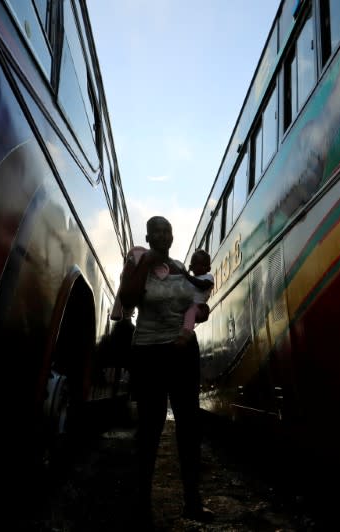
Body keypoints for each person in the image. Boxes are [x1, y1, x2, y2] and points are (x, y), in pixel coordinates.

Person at [116, 216, 214, 525]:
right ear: (147, 236)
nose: (161, 235)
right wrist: (145, 263)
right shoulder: (136, 263)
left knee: (190, 424)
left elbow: (195, 305)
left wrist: (200, 312)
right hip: (148, 352)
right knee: (150, 427)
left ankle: (192, 502)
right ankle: (142, 504)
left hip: (183, 352)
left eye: (166, 230)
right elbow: (128, 299)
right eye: (155, 230)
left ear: (172, 237)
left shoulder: (180, 268)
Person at [176, 249, 214, 347]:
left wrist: (188, 276)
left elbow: (203, 285)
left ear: (209, 268)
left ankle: (186, 334)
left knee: (191, 311)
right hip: (186, 306)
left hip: (198, 307)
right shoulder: (187, 280)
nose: (200, 267)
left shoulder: (208, 277)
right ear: (191, 267)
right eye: (197, 264)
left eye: (203, 264)